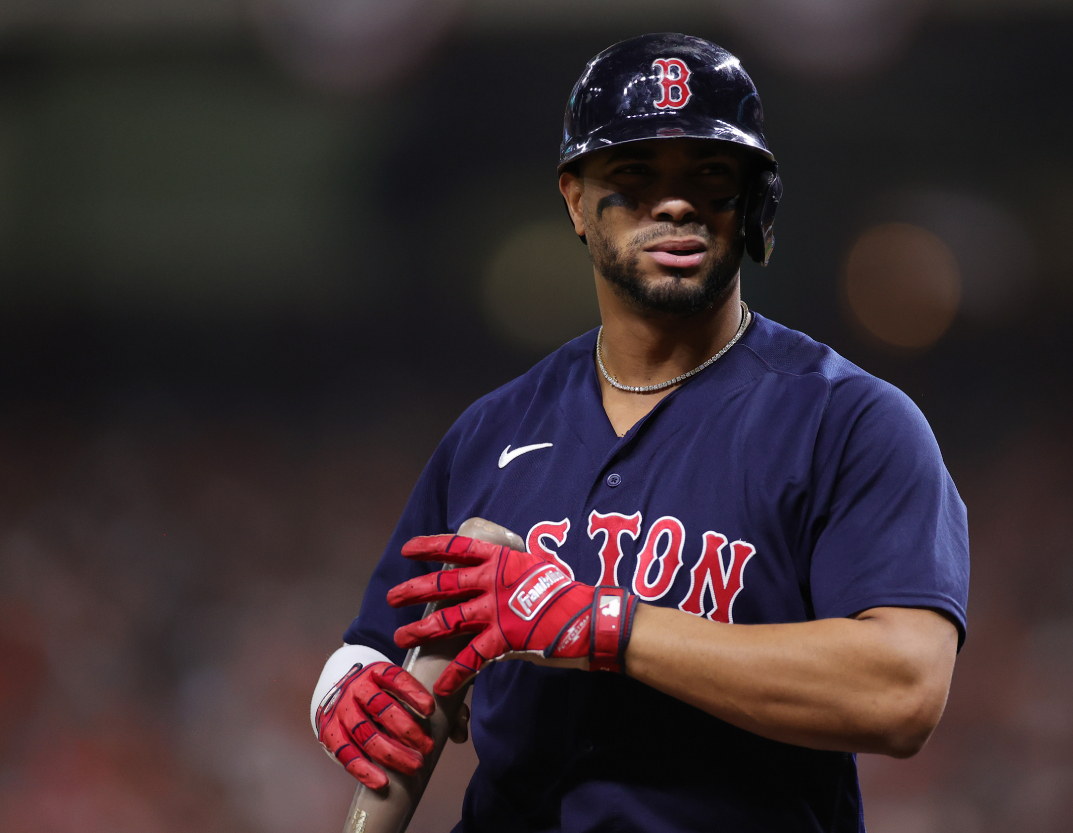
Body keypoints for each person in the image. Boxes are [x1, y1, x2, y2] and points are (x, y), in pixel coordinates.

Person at [311, 32, 969, 833]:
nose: (676, 203)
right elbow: (381, 645)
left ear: (754, 202)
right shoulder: (494, 431)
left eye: (709, 176)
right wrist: (345, 688)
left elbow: (903, 690)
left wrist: (606, 625)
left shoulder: (849, 421)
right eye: (633, 176)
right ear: (576, 200)